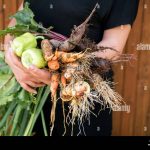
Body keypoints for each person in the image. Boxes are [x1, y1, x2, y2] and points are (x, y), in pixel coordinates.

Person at [4, 0, 139, 136]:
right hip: (31, 95)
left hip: (83, 94)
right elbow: (16, 26)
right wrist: (12, 60)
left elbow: (113, 46)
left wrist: (60, 73)